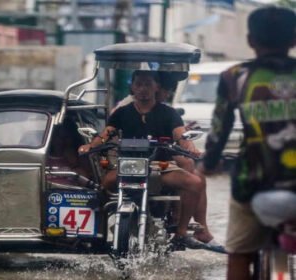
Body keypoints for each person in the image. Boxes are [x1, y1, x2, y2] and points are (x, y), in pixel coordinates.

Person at [198, 6, 295, 279]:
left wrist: (209, 162)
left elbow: (219, 131)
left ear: (251, 40)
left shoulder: (235, 76)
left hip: (253, 185)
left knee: (239, 253)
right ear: (294, 39)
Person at [79, 70, 221, 250]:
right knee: (104, 184)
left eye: (148, 84)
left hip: (160, 167)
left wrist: (191, 148)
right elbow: (105, 135)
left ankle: (182, 232)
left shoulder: (169, 113)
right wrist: (90, 146)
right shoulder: (122, 112)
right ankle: (98, 234)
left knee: (195, 183)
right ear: (132, 87)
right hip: (128, 166)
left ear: (157, 87)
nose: (143, 89)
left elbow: (181, 136)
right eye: (139, 84)